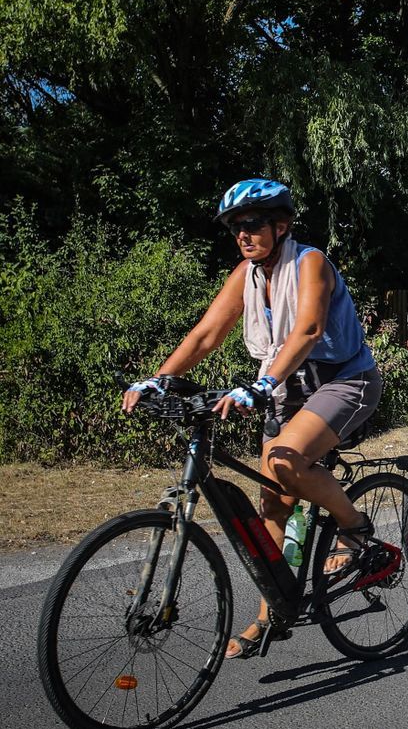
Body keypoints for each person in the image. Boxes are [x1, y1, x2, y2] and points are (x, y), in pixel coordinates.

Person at [121, 179, 383, 659]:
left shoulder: (310, 263)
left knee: (285, 462)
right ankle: (271, 616)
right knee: (273, 505)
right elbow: (206, 334)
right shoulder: (247, 274)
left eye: (252, 224)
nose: (243, 234)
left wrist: (263, 384)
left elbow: (308, 328)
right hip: (285, 384)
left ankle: (355, 526)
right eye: (235, 228)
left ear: (281, 225)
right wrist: (157, 379)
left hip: (343, 379)